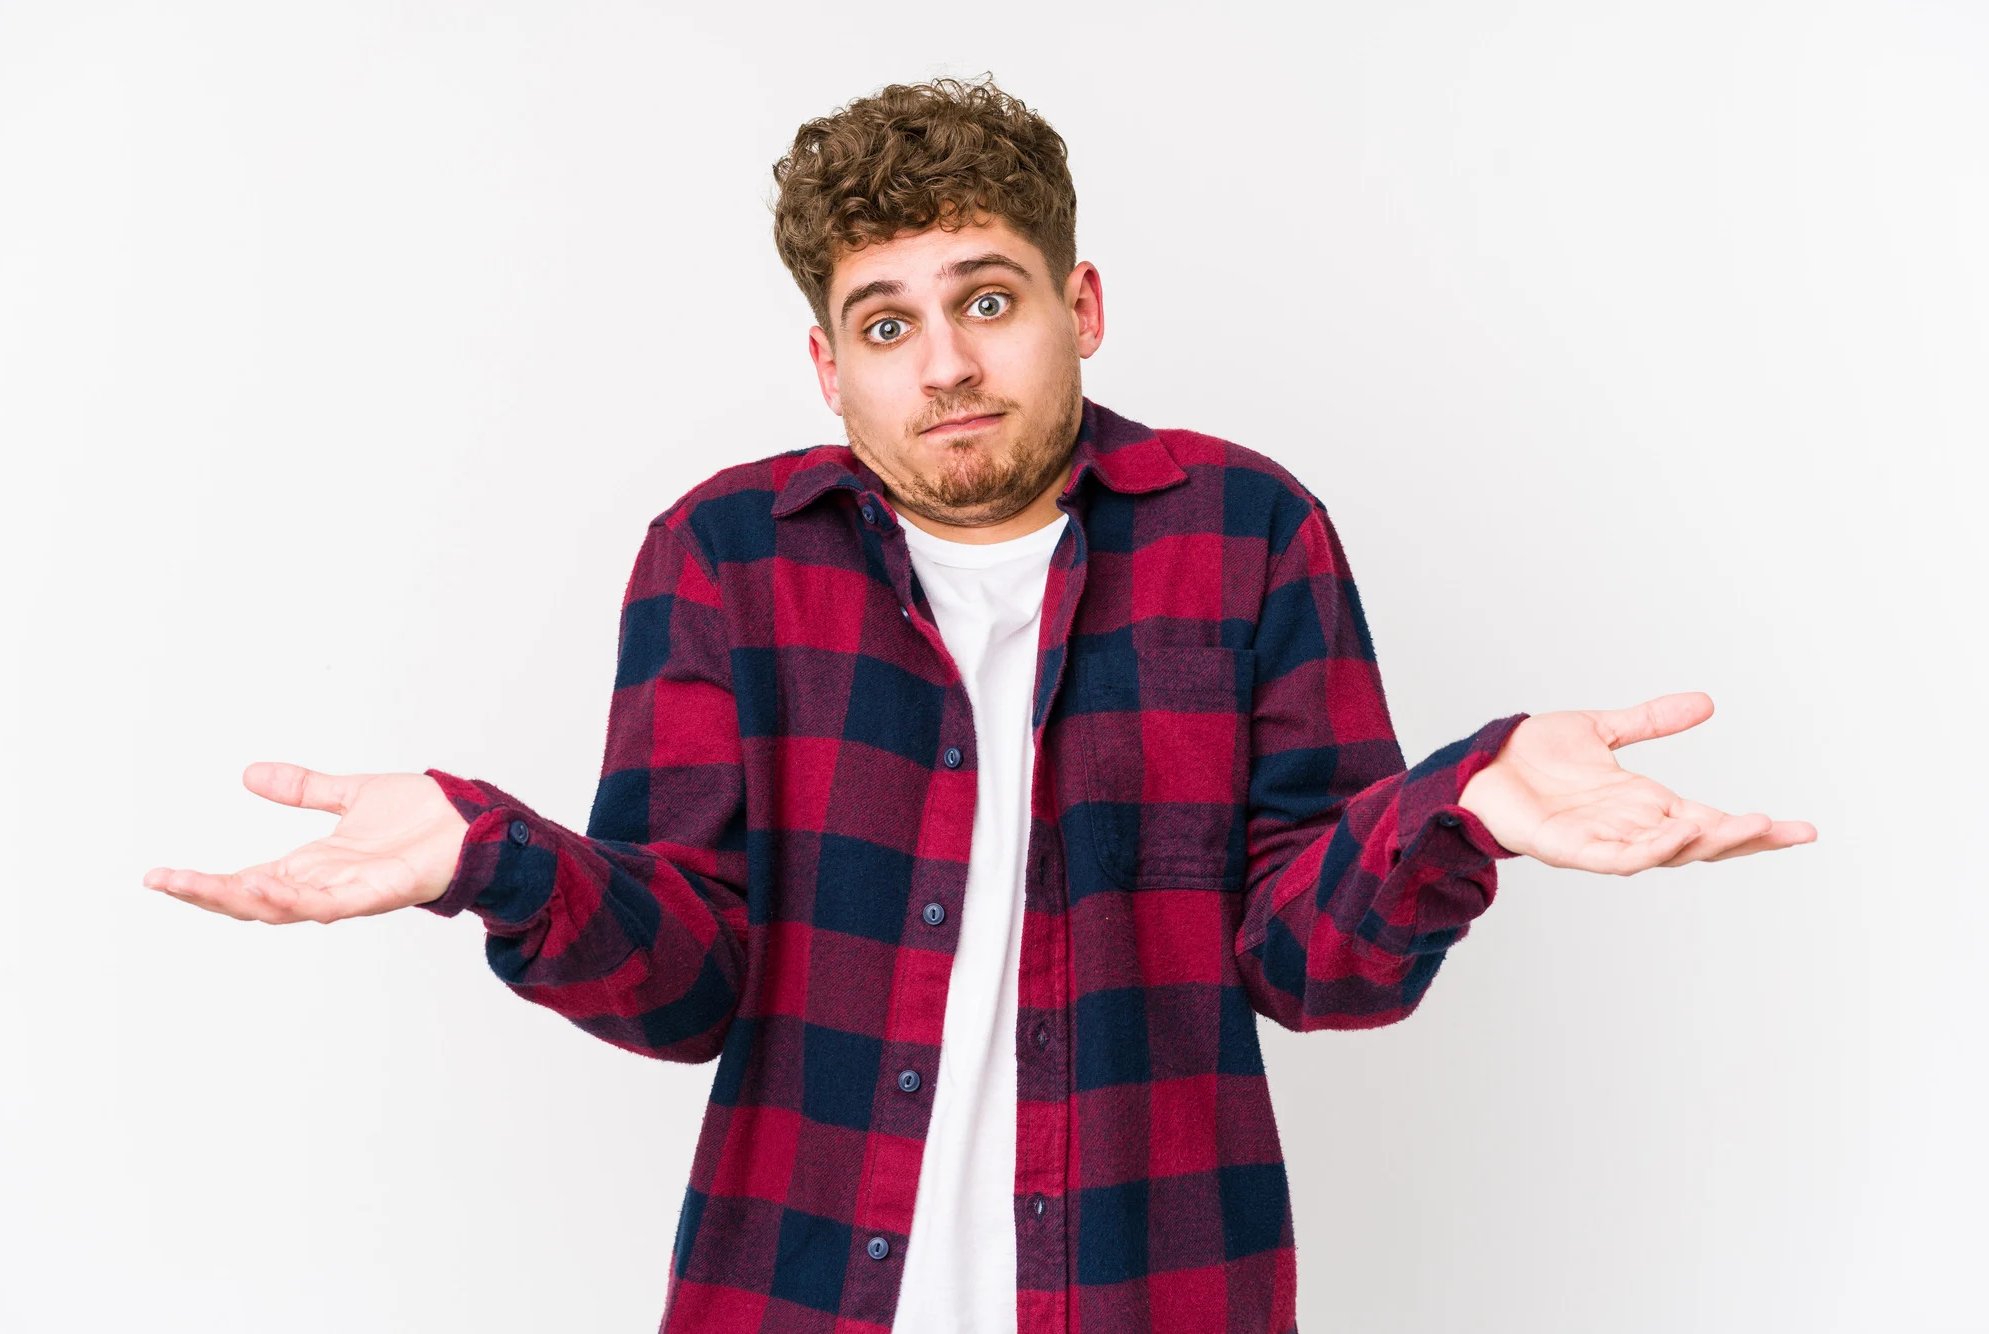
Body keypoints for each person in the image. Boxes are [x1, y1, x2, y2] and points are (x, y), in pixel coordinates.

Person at [144, 75, 1816, 1334]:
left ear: (1076, 308)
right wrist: (486, 854)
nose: (943, 360)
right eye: (888, 321)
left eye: (987, 299)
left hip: (1163, 1286)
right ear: (829, 365)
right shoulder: (725, 557)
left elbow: (1319, 972)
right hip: (795, 1291)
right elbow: (686, 982)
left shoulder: (1250, 533)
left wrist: (1458, 804)